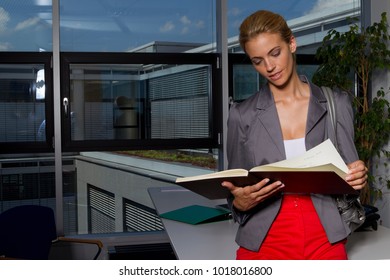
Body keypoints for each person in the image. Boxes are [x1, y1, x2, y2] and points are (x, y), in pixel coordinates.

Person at [221, 10, 368, 260]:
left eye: (274, 53)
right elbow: (237, 189)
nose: (269, 67)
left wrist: (358, 176)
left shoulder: (336, 103)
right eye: (257, 61)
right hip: (264, 239)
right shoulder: (241, 115)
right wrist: (238, 204)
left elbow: (350, 181)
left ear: (291, 43)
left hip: (325, 238)